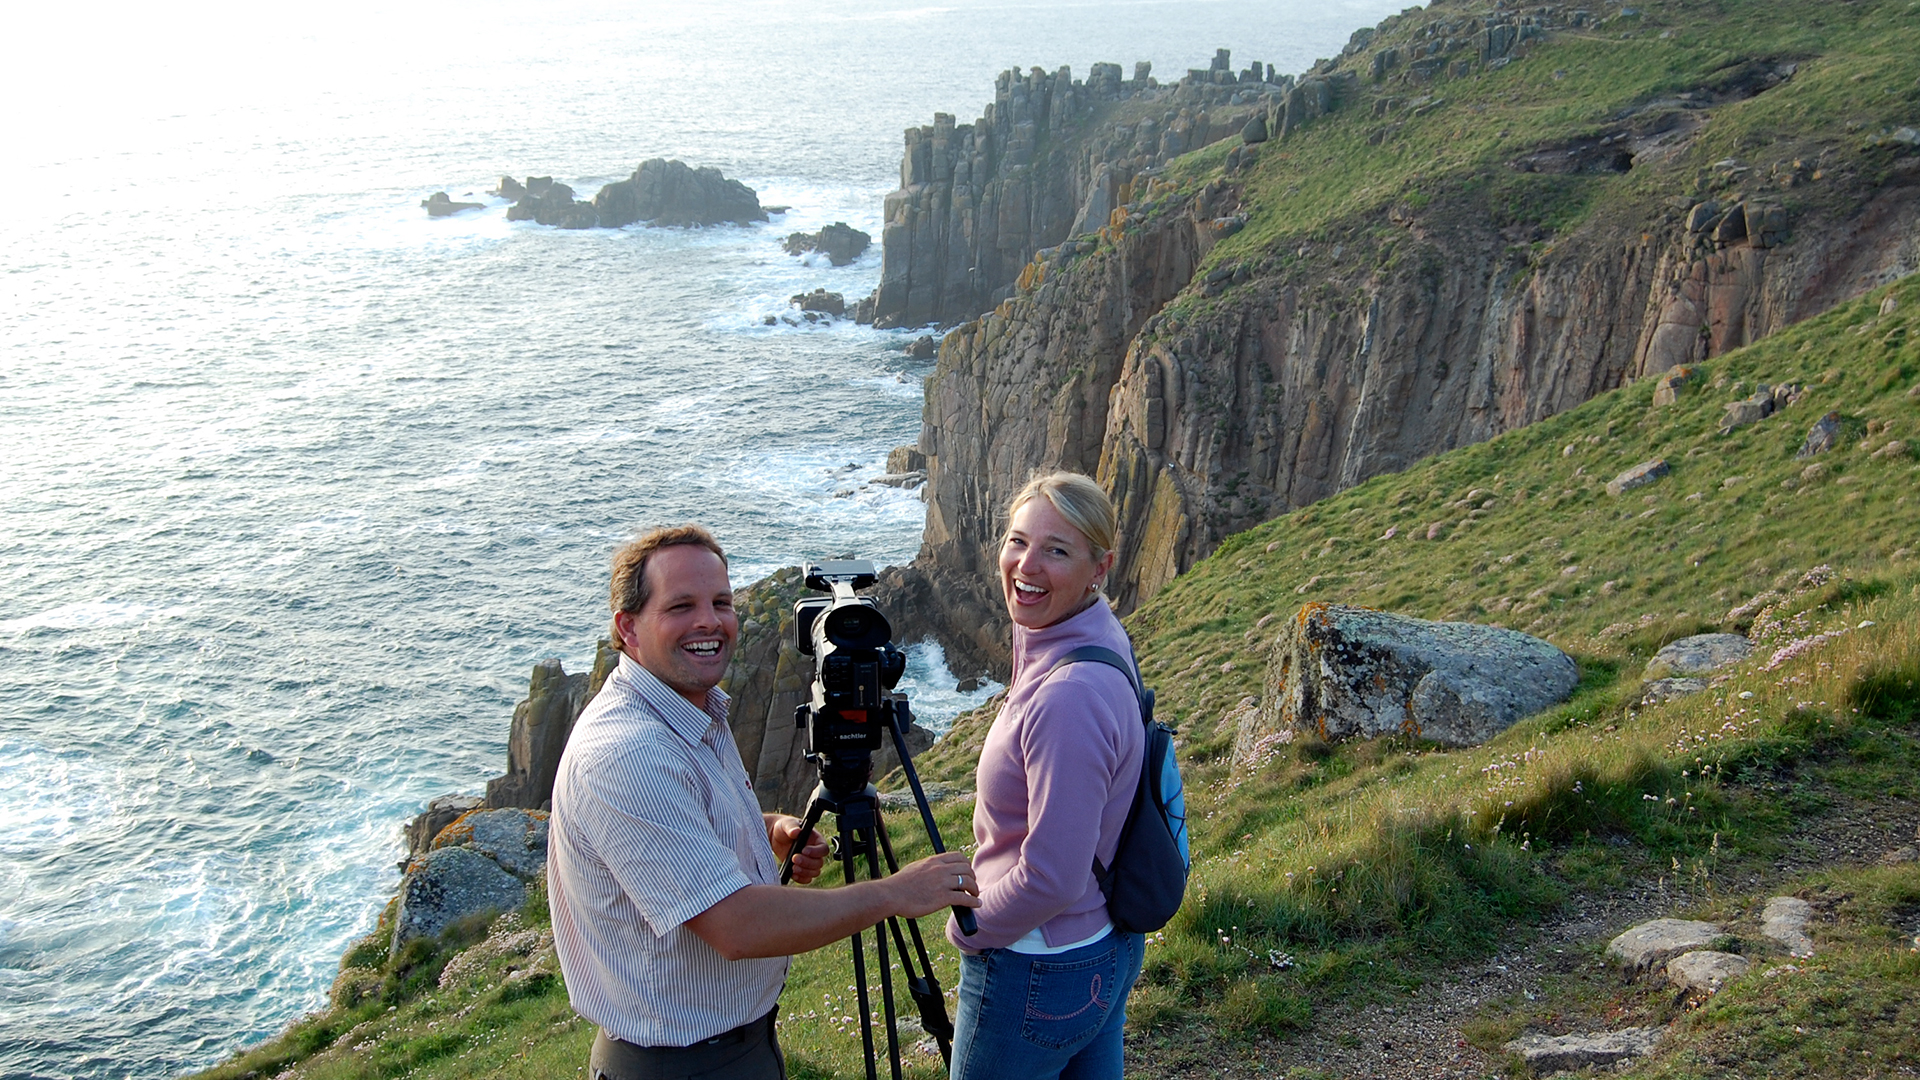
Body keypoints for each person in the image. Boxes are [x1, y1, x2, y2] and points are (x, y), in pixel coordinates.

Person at [548, 524, 981, 1080]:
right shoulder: (627, 753)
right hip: (682, 1066)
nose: (710, 621)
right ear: (628, 628)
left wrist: (767, 826)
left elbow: (682, 819)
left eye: (721, 602)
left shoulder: (689, 708)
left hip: (733, 1047)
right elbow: (737, 927)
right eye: (681, 606)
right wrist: (895, 893)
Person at [946, 472, 1147, 1080]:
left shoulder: (1068, 695)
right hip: (1100, 945)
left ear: (1099, 567)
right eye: (1017, 540)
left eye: (1056, 550)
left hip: (1037, 964)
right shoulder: (1092, 633)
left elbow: (1053, 877)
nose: (1026, 564)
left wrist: (974, 931)